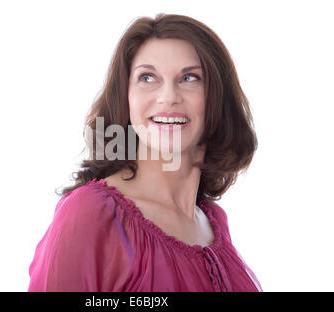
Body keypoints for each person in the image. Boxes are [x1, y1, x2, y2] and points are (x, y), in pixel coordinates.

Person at [28, 13, 263, 292]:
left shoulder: (214, 223)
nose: (168, 97)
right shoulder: (92, 214)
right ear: (126, 97)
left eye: (190, 77)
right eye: (147, 77)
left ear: (218, 98)